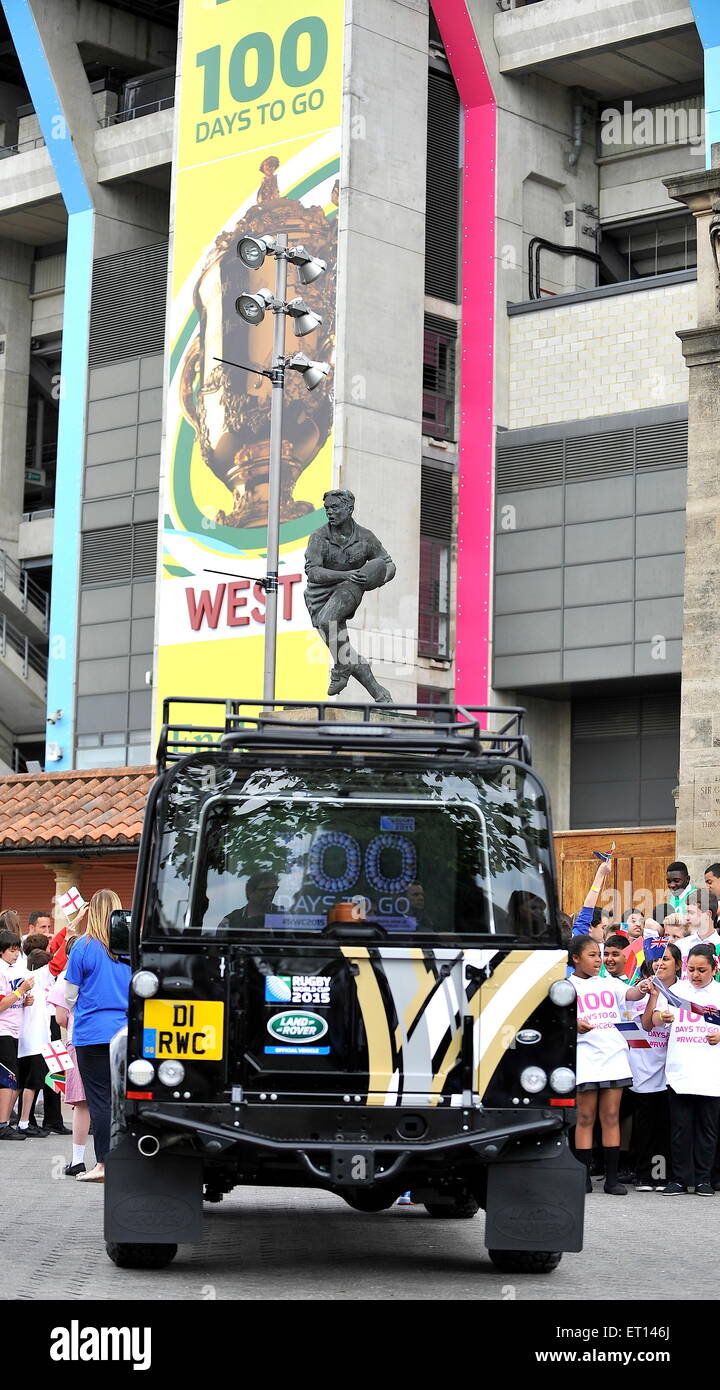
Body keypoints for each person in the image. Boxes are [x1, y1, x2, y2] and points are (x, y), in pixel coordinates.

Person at [569, 934, 650, 1195]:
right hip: (585, 1058)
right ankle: (582, 1177)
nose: (599, 960)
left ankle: (612, 1179)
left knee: (611, 1117)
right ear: (576, 958)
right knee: (585, 1118)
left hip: (614, 1056)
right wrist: (575, 1025)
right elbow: (558, 1022)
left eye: (600, 955)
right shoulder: (566, 986)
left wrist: (644, 986)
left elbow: (631, 993)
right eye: (592, 955)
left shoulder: (609, 982)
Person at [304, 489, 396, 702]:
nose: (330, 512)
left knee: (329, 622)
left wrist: (377, 578)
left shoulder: (365, 537)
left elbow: (387, 563)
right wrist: (345, 573)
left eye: (335, 507)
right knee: (343, 649)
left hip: (349, 588)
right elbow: (313, 572)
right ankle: (380, 694)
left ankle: (341, 669)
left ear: (349, 508)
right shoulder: (318, 537)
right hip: (318, 596)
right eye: (327, 508)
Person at [64, 890, 130, 1183]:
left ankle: (103, 1164)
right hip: (126, 1031)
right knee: (125, 1099)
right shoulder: (129, 948)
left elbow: (69, 994)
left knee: (100, 1101)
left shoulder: (83, 947)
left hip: (91, 1032)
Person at [632, 943, 682, 1190]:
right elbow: (646, 1024)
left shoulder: (686, 991)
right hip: (646, 1067)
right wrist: (652, 996)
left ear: (678, 965)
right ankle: (644, 1175)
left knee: (666, 1127)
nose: (659, 964)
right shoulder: (644, 988)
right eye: (656, 960)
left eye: (666, 959)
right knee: (646, 1126)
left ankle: (662, 1175)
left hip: (673, 1070)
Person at [47, 937, 90, 1176]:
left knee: (81, 1104)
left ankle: (77, 1160)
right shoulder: (99, 970)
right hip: (107, 1039)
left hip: (77, 1040)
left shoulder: (65, 978)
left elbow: (61, 1018)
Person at [0, 928, 34, 1140]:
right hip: (3, 1031)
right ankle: (2, 1124)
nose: (16, 954)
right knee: (7, 1079)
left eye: (17, 950)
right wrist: (21, 991)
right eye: (12, 950)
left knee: (12, 1079)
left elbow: (14, 999)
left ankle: (4, 1122)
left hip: (14, 1031)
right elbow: (2, 1004)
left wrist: (25, 999)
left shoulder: (13, 969)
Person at [16, 948, 53, 1137]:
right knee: (32, 1084)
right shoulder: (37, 979)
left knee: (22, 1084)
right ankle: (23, 1123)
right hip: (35, 1043)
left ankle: (11, 1120)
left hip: (26, 1043)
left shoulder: (26, 980)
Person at [655, 861, 695, 926]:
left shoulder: (696, 896)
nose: (672, 885)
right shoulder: (672, 896)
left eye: (676, 881)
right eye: (669, 881)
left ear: (687, 879)